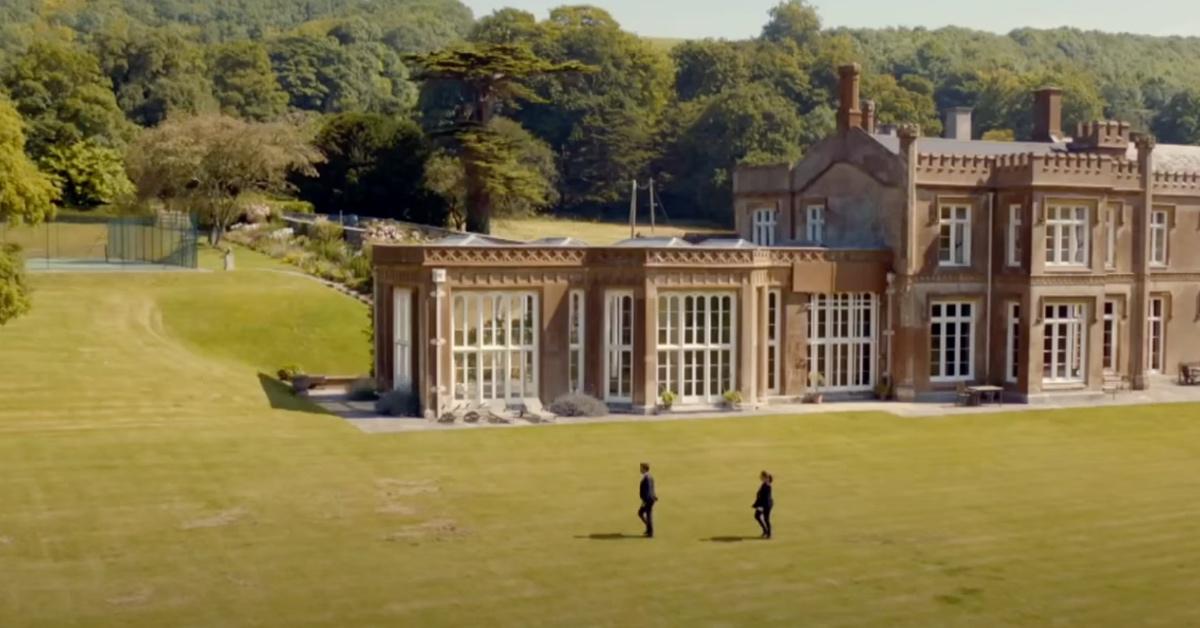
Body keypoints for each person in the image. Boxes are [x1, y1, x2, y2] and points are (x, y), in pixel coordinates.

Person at [637, 462, 657, 538]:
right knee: (643, 513)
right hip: (650, 499)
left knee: (645, 514)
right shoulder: (649, 476)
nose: (640, 469)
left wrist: (644, 501)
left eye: (641, 468)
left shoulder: (647, 478)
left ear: (645, 469)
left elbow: (648, 490)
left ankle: (650, 532)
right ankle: (649, 529)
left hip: (648, 500)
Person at [753, 471, 774, 539]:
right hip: (762, 504)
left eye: (761, 476)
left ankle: (769, 534)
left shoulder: (767, 486)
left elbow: (766, 498)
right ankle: (765, 530)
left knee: (766, 519)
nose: (760, 477)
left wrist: (761, 507)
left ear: (765, 477)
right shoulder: (764, 484)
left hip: (766, 505)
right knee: (757, 516)